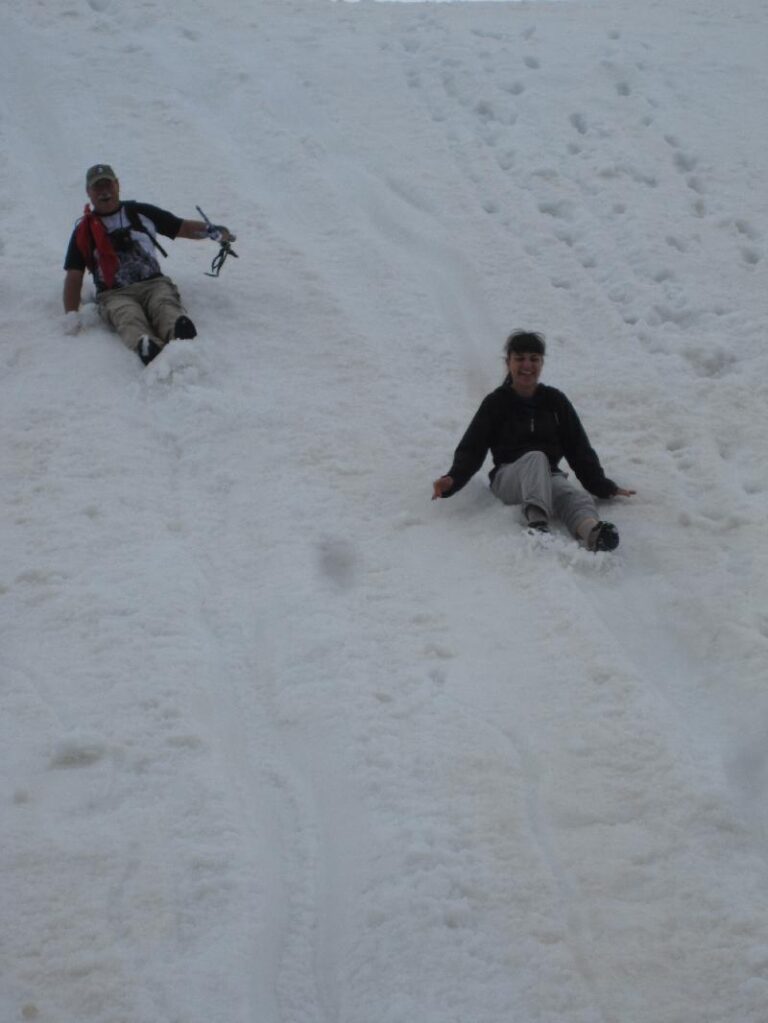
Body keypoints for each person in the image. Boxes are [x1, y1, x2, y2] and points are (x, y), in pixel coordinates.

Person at [432, 330, 635, 551]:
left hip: (546, 475)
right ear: (508, 362)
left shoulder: (555, 401)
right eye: (520, 358)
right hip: (508, 479)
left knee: (572, 494)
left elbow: (578, 448)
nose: (527, 365)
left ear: (541, 363)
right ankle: (537, 522)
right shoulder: (495, 403)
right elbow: (473, 447)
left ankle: (591, 532)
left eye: (534, 359)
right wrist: (453, 478)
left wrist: (603, 487)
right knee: (536, 457)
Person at [62, 164, 234, 365]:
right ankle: (145, 345)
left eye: (108, 185)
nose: (104, 192)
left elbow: (183, 228)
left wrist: (212, 230)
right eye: (97, 188)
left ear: (117, 185)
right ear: (88, 193)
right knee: (126, 315)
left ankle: (178, 331)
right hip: (114, 294)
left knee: (164, 304)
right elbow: (74, 276)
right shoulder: (84, 231)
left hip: (154, 284)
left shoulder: (141, 212)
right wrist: (71, 314)